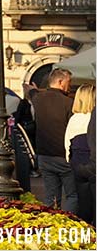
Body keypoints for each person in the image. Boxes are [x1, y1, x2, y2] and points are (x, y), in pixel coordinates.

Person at [29, 68, 77, 213]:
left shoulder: (38, 98)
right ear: (61, 81)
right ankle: (68, 223)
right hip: (64, 156)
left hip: (44, 155)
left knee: (51, 197)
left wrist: (32, 89)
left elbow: (31, 93)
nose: (70, 85)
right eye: (69, 82)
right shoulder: (69, 103)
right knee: (73, 195)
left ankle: (51, 226)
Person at [66, 84, 93, 221]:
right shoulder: (92, 118)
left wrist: (70, 161)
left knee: (83, 203)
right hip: (91, 162)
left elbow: (67, 144)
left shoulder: (74, 119)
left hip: (77, 164)